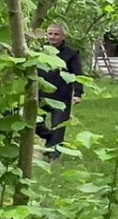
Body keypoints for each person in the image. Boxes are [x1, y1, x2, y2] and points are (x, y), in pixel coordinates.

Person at [36, 24, 83, 160]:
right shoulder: (39, 52)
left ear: (63, 36)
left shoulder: (71, 54)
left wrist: (78, 94)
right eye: (50, 34)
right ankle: (51, 137)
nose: (53, 37)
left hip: (61, 97)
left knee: (58, 127)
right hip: (40, 96)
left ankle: (53, 157)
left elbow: (77, 75)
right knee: (34, 123)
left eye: (56, 34)